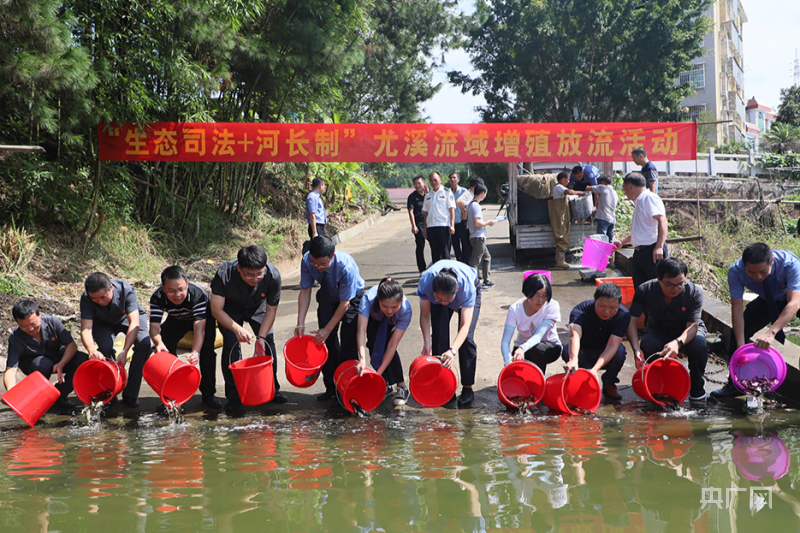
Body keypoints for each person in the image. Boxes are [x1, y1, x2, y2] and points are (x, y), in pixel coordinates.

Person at [712, 243, 800, 401]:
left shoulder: (789, 263)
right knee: (738, 332)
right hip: (769, 298)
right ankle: (736, 384)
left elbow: (794, 303)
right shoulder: (735, 271)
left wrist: (771, 332)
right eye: (751, 272)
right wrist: (740, 347)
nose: (758, 277)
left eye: (763, 271)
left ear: (772, 261)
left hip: (795, 295)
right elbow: (737, 308)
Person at [209, 245, 287, 413]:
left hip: (257, 306)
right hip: (229, 309)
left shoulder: (272, 275)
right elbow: (216, 309)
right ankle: (234, 396)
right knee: (231, 344)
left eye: (260, 273)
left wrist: (261, 337)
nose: (255, 278)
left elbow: (271, 310)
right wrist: (236, 329)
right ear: (239, 268)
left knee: (267, 343)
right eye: (249, 274)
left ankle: (272, 390)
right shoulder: (225, 274)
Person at [626, 257, 709, 407]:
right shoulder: (645, 290)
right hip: (658, 330)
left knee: (699, 344)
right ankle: (659, 385)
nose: (676, 288)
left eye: (680, 284)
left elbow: (693, 326)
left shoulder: (694, 292)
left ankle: (697, 388)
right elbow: (631, 321)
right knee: (648, 344)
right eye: (670, 285)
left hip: (687, 332)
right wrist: (636, 349)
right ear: (659, 279)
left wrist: (677, 343)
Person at [296, 235, 365, 401]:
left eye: (323, 264)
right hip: (328, 295)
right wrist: (300, 322)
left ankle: (349, 387)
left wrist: (328, 329)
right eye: (315, 263)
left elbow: (345, 303)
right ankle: (331, 388)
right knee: (325, 343)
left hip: (351, 299)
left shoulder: (346, 266)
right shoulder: (307, 261)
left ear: (332, 257)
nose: (318, 267)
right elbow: (305, 291)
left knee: (348, 342)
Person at [149, 265, 220, 409]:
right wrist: (159, 343)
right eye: (171, 291)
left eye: (181, 289)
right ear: (164, 288)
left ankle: (208, 394)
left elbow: (199, 328)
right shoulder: (157, 297)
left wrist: (195, 352)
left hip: (203, 320)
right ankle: (171, 394)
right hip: (176, 319)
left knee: (207, 352)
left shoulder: (197, 295)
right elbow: (154, 327)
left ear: (187, 284)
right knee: (165, 351)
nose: (177, 295)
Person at [79, 272, 151, 408]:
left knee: (144, 343)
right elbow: (86, 328)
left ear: (111, 288)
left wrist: (125, 351)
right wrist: (92, 350)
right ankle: (110, 393)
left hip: (128, 318)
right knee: (105, 348)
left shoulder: (126, 290)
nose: (100, 301)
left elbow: (134, 323)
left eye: (103, 297)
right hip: (103, 322)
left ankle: (131, 394)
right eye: (94, 299)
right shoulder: (86, 298)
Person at [417, 260, 481, 407]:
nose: (444, 303)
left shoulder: (466, 288)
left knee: (466, 340)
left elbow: (465, 326)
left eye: (447, 300)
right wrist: (427, 343)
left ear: (457, 291)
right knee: (439, 336)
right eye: (439, 299)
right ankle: (444, 386)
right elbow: (425, 315)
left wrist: (453, 350)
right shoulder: (427, 282)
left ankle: (467, 389)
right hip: (442, 288)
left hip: (469, 287)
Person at [4, 300, 89, 408]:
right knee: (43, 364)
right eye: (24, 326)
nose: (30, 329)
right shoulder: (16, 337)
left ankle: (60, 394)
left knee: (83, 360)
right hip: (34, 363)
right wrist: (11, 392)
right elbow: (11, 369)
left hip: (57, 356)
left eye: (33, 323)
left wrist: (61, 364)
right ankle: (38, 400)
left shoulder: (53, 322)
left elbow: (71, 345)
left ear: (39, 315)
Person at [563, 282, 631, 400]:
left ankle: (609, 382)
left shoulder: (623, 315)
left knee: (619, 351)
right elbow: (574, 335)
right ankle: (578, 379)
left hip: (605, 352)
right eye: (602, 306)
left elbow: (613, 345)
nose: (606, 312)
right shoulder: (581, 310)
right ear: (595, 299)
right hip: (583, 351)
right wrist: (573, 359)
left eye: (612, 308)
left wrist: (595, 370)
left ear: (619, 305)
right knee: (566, 350)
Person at [356, 277, 412, 406]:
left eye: (394, 306)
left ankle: (401, 386)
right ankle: (385, 383)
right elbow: (361, 331)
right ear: (378, 300)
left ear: (401, 301)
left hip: (393, 321)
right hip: (374, 317)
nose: (389, 310)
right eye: (385, 306)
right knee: (373, 344)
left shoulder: (405, 310)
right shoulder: (368, 299)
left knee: (387, 344)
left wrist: (377, 374)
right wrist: (362, 359)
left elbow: (393, 345)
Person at [613, 172, 668, 289]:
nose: (624, 193)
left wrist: (659, 246)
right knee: (641, 290)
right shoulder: (639, 201)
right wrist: (622, 242)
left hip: (651, 251)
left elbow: (662, 220)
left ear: (630, 187)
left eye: (624, 189)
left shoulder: (649, 198)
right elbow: (641, 230)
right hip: (640, 252)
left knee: (655, 288)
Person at [501, 274, 561, 374]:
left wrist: (522, 348)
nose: (541, 300)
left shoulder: (552, 306)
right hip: (523, 347)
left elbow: (538, 336)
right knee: (519, 374)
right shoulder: (515, 309)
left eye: (545, 295)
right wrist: (508, 363)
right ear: (527, 293)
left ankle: (538, 384)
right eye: (537, 295)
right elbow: (505, 342)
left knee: (536, 349)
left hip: (549, 347)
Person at [467, 183, 496, 288]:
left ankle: (486, 280)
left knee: (487, 257)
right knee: (475, 262)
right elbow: (477, 223)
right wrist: (488, 222)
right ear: (482, 193)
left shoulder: (472, 204)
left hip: (476, 237)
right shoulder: (475, 206)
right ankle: (473, 285)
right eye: (485, 194)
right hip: (478, 237)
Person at [422, 172, 455, 264]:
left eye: (435, 180)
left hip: (443, 226)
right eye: (431, 180)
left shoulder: (447, 192)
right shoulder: (428, 195)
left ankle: (447, 273)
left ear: (440, 180)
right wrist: (425, 229)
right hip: (431, 227)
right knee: (435, 253)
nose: (433, 182)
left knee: (445, 252)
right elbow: (426, 213)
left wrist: (452, 225)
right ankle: (438, 275)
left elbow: (451, 210)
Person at [456, 176, 486, 265]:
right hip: (465, 223)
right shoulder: (468, 193)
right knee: (468, 249)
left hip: (470, 223)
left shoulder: (474, 195)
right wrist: (465, 211)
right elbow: (458, 201)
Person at [586, 175, 618, 245]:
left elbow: (587, 188)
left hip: (604, 218)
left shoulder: (603, 187)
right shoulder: (614, 192)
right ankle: (610, 256)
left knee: (601, 241)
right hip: (612, 220)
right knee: (609, 242)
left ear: (602, 182)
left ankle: (601, 256)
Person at [407, 175, 428, 274]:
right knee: (420, 246)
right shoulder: (412, 197)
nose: (417, 185)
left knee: (435, 245)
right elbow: (411, 212)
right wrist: (413, 225)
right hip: (419, 225)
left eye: (419, 183)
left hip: (430, 223)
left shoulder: (428, 195)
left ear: (424, 183)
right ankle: (422, 269)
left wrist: (428, 192)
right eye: (415, 184)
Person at [303, 177, 327, 255]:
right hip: (316, 226)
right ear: (320, 185)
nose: (324, 188)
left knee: (321, 248)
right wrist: (314, 231)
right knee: (319, 249)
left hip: (319, 226)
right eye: (324, 185)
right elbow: (312, 215)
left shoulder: (317, 196)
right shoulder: (312, 196)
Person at [448, 172, 469, 262]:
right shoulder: (447, 192)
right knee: (455, 245)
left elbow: (469, 206)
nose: (453, 179)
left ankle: (466, 262)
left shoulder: (464, 191)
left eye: (454, 178)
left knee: (465, 243)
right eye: (451, 178)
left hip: (462, 221)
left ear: (458, 179)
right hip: (452, 223)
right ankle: (459, 261)